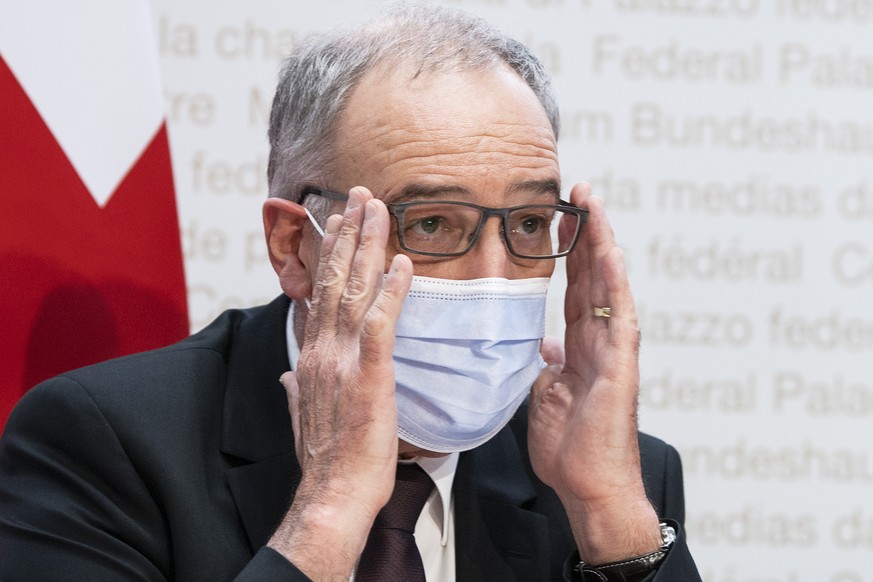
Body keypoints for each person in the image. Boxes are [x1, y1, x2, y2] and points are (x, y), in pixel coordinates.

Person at [0, 4, 701, 581]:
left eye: (525, 223)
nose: (493, 275)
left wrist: (612, 517)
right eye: (430, 223)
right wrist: (329, 512)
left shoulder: (609, 473)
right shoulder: (106, 443)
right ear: (294, 246)